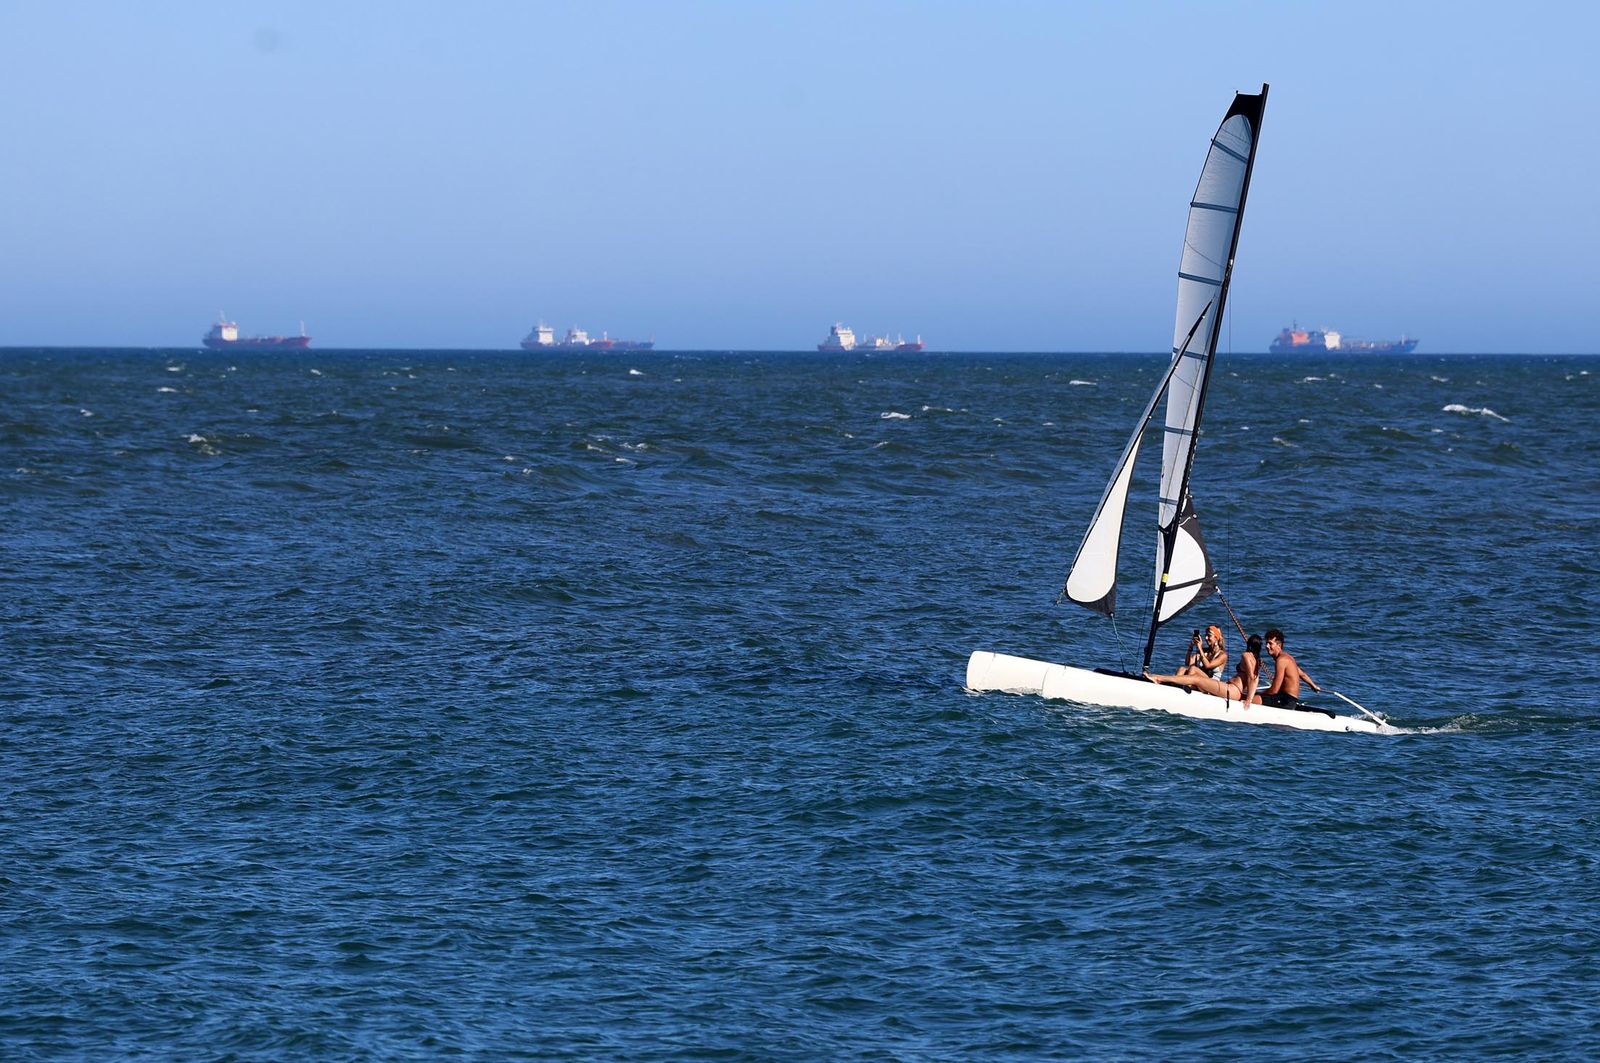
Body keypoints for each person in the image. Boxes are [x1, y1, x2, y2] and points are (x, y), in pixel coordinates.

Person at [1147, 633, 1262, 704]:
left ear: (1249, 645)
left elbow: (1252, 677)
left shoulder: (1246, 655)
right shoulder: (1257, 659)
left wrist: (1249, 700)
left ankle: (1159, 678)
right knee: (1188, 670)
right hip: (1232, 689)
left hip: (1232, 690)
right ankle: (1169, 683)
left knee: (1196, 678)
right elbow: (1255, 678)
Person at [1254, 628, 1322, 707]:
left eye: (1270, 643)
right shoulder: (1288, 658)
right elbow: (1302, 674)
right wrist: (1313, 686)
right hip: (1289, 700)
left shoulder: (1281, 660)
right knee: (1255, 695)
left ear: (1279, 645)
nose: (1266, 646)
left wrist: (1260, 694)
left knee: (1251, 698)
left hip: (1286, 701)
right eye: (1266, 643)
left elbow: (1274, 690)